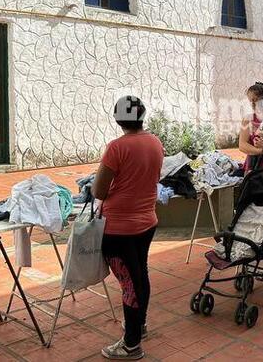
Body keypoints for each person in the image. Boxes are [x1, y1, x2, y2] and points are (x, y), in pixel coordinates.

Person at [93, 96, 164, 360]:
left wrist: (96, 183)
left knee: (129, 284)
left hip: (119, 228)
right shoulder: (155, 142)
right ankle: (139, 325)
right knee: (139, 275)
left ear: (118, 118)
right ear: (142, 116)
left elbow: (99, 190)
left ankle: (131, 344)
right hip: (147, 222)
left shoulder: (116, 148)